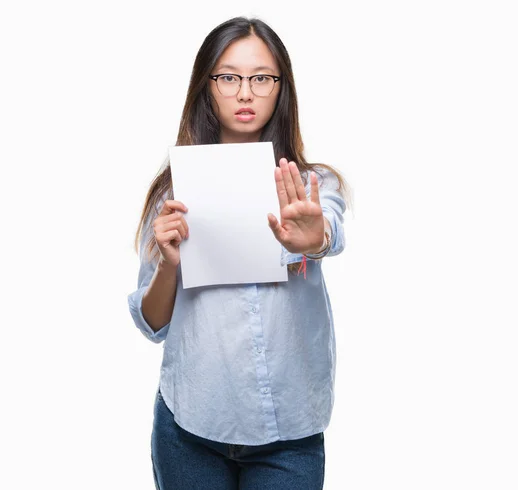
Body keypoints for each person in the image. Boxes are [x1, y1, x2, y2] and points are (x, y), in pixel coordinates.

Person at [128, 16, 351, 490]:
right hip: (191, 426)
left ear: (280, 87)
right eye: (229, 77)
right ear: (207, 85)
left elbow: (327, 230)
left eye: (261, 78)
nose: (245, 92)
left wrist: (313, 239)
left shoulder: (313, 184)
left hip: (289, 433)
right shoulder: (174, 192)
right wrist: (170, 265)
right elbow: (152, 324)